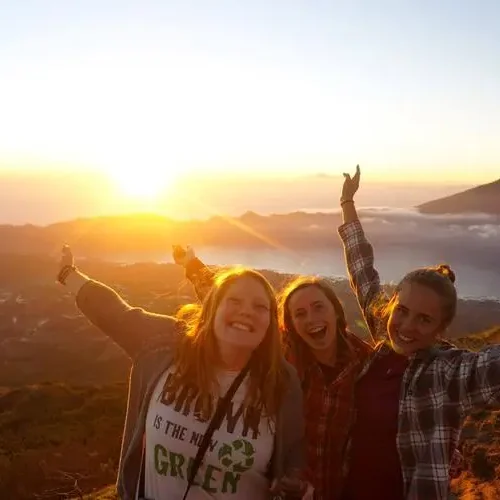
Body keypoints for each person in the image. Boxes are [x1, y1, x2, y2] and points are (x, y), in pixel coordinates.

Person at [56, 246, 311, 500]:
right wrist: (68, 273)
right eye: (234, 301)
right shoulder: (166, 346)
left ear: (270, 324)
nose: (246, 311)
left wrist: (292, 482)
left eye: (260, 307)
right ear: (212, 309)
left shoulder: (282, 382)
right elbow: (115, 313)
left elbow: (292, 454)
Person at [338, 165, 500, 500]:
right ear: (392, 305)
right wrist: (347, 204)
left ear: (441, 329)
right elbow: (362, 272)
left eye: (424, 320)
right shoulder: (385, 335)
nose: (407, 326)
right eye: (403, 311)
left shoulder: (447, 374)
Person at [172, 248, 373, 500]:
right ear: (290, 325)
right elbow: (231, 307)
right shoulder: (284, 357)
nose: (311, 319)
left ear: (336, 311)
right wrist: (192, 265)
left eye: (319, 307)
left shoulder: (367, 363)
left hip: (338, 490)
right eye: (299, 314)